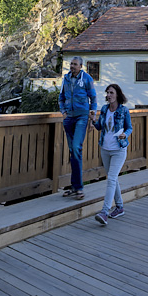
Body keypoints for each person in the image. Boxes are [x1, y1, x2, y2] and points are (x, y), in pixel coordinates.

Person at [93, 84, 133, 225]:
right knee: (113, 179)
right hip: (105, 148)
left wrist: (124, 134)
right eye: (107, 93)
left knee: (110, 179)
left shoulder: (123, 110)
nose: (108, 95)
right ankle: (120, 207)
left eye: (111, 92)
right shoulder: (104, 109)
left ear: (117, 95)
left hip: (118, 149)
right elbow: (99, 127)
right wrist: (93, 120)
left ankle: (104, 212)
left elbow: (129, 128)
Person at [59, 56, 97, 199]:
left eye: (75, 64)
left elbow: (93, 99)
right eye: (71, 64)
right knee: (73, 151)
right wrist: (63, 112)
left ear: (81, 66)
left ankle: (79, 187)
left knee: (76, 147)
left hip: (82, 117)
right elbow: (61, 97)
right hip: (69, 118)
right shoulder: (66, 79)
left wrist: (92, 116)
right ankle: (75, 187)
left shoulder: (87, 79)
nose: (72, 66)